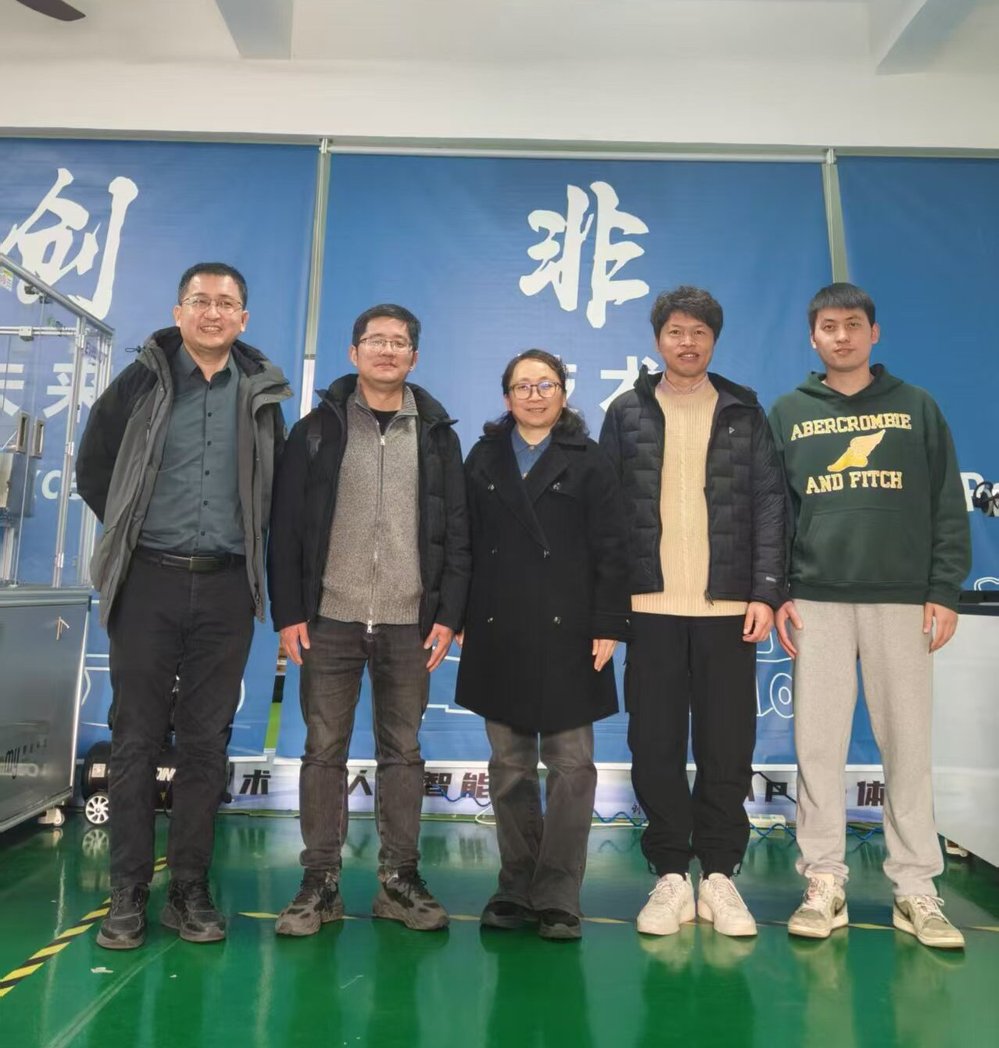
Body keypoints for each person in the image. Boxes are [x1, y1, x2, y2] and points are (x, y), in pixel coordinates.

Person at [76, 262, 291, 949]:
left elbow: (277, 491)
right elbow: (94, 467)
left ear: (243, 318)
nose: (212, 312)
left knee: (205, 742)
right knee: (136, 738)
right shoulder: (140, 381)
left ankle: (190, 888)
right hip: (148, 581)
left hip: (226, 586)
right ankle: (127, 890)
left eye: (226, 303)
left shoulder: (261, 394)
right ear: (179, 311)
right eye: (200, 300)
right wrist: (133, 529)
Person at [769, 282, 971, 949]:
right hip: (817, 600)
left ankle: (915, 887)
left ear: (873, 333)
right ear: (813, 337)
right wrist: (778, 591)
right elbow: (775, 511)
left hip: (901, 598)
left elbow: (946, 503)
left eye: (853, 324)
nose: (842, 336)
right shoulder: (789, 412)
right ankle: (823, 881)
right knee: (817, 747)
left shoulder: (916, 407)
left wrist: (943, 588)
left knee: (907, 746)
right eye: (829, 326)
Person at [267, 303, 470, 934]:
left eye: (399, 342)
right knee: (322, 750)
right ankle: (319, 883)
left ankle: (399, 881)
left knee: (403, 753)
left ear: (414, 357)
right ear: (353, 352)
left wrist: (448, 614)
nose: (387, 350)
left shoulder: (438, 436)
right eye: (375, 340)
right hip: (330, 617)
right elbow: (285, 529)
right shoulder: (316, 430)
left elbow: (457, 531)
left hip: (410, 621)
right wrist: (289, 612)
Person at [599, 286, 786, 939]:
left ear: (713, 340)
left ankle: (721, 874)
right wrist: (609, 601)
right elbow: (606, 513)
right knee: (652, 743)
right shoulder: (626, 412)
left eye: (698, 332)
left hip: (727, 607)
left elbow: (770, 505)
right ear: (658, 340)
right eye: (675, 332)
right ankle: (671, 875)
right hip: (648, 606)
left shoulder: (744, 412)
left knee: (726, 745)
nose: (687, 342)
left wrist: (765, 591)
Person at [455, 350, 631, 941]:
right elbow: (463, 542)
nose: (535, 395)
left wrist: (610, 622)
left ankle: (558, 891)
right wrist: (457, 614)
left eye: (546, 384)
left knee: (572, 766)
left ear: (563, 392)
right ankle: (514, 885)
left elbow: (614, 547)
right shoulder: (483, 457)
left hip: (571, 630)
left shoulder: (590, 459)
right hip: (498, 626)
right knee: (509, 766)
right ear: (506, 396)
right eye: (523, 386)